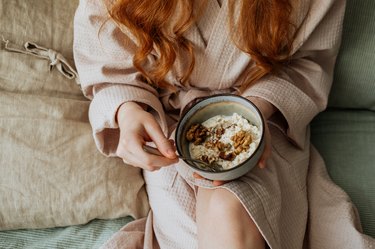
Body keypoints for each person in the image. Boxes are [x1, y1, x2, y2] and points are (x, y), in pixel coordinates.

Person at [73, 0, 372, 248]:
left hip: (262, 116)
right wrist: (127, 110)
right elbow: (106, 59)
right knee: (197, 233)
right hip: (171, 131)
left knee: (232, 207)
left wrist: (249, 115)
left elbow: (307, 64)